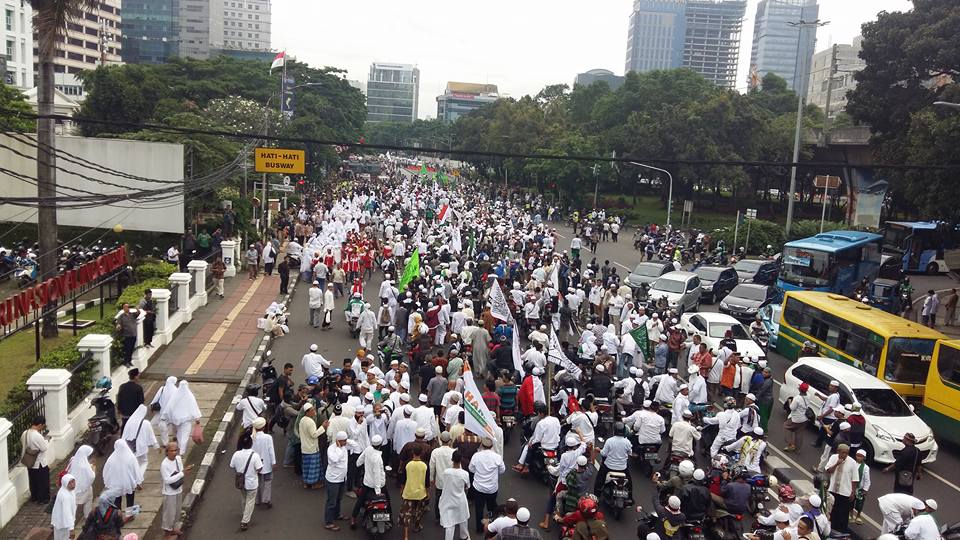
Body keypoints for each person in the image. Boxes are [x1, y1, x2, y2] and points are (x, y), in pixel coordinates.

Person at [351, 434, 388, 529]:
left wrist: (358, 465)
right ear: (380, 445)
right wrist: (378, 491)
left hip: (367, 483)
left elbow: (359, 461)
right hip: (379, 485)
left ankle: (353, 519)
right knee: (387, 501)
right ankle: (389, 519)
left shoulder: (368, 449)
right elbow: (377, 475)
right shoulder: (377, 458)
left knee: (360, 500)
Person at [469, 437, 505, 534]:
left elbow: (471, 469)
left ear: (482, 445)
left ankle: (480, 528)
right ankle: (490, 526)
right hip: (492, 488)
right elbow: (502, 470)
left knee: (479, 508)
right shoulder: (497, 457)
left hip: (479, 488)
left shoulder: (476, 456)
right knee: (491, 508)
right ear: (492, 446)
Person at [230, 432, 263, 531]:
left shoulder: (236, 454)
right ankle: (245, 521)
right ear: (251, 444)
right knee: (250, 501)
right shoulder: (255, 456)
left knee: (244, 498)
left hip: (241, 482)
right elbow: (259, 469)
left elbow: (232, 466)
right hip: (252, 483)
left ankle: (244, 513)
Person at [325, 431, 358, 531]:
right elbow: (335, 459)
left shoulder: (344, 446)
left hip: (342, 478)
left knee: (339, 499)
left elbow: (356, 445)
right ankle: (328, 522)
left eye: (345, 441)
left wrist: (346, 441)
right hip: (333, 480)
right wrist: (339, 448)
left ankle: (337, 514)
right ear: (338, 441)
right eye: (343, 441)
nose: (345, 443)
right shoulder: (332, 449)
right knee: (331, 501)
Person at [824, 444, 858, 534]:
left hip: (845, 493)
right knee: (832, 512)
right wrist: (837, 464)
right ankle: (831, 531)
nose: (845, 455)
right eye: (843, 453)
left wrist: (853, 492)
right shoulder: (833, 458)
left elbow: (855, 479)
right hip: (833, 491)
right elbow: (828, 471)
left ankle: (842, 533)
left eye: (846, 453)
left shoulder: (852, 462)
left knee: (843, 515)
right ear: (838, 452)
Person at [160, 441, 191, 537]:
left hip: (178, 490)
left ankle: (173, 529)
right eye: (172, 451)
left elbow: (180, 471)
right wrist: (182, 473)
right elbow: (167, 480)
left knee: (177, 512)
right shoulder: (164, 464)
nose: (174, 453)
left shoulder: (178, 459)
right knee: (169, 513)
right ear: (167, 452)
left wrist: (183, 472)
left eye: (175, 450)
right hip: (170, 493)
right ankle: (167, 533)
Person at [102, 439, 143, 509]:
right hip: (129, 483)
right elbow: (136, 471)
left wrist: (107, 482)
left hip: (115, 484)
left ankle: (118, 516)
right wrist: (138, 482)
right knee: (130, 500)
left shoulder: (111, 459)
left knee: (117, 501)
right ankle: (129, 515)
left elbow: (106, 471)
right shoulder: (131, 457)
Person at [439, 450, 471, 540]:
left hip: (447, 499)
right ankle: (464, 536)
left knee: (449, 523)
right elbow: (468, 486)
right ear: (461, 460)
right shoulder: (465, 474)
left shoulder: (446, 472)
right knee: (463, 519)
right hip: (460, 499)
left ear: (452, 459)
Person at [121, 404, 158, 478]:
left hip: (130, 447)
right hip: (141, 448)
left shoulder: (129, 421)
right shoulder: (146, 423)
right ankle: (139, 478)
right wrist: (156, 446)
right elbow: (151, 436)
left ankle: (133, 479)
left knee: (134, 464)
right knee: (144, 462)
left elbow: (124, 434)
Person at [165, 381, 202, 457]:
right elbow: (194, 406)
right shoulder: (189, 395)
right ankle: (182, 451)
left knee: (179, 433)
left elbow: (170, 406)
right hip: (186, 420)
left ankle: (179, 447)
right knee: (185, 435)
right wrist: (197, 418)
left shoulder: (175, 395)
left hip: (177, 419)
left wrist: (168, 417)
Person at [401, 444, 429, 539]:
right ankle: (417, 526)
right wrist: (428, 493)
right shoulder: (425, 465)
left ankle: (406, 535)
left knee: (406, 514)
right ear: (421, 453)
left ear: (413, 453)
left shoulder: (407, 464)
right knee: (418, 512)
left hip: (408, 492)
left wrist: (402, 491)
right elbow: (427, 482)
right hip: (420, 493)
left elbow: (403, 480)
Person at [22, 415, 51, 504]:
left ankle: (34, 496)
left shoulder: (25, 433)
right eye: (43, 426)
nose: (42, 428)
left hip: (29, 462)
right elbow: (43, 448)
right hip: (39, 462)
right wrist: (46, 441)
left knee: (33, 480)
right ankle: (42, 498)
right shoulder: (37, 436)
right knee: (43, 481)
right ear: (40, 424)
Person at [298, 402, 327, 489]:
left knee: (306, 467)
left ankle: (306, 483)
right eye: (312, 410)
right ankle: (314, 484)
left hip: (305, 447)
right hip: (312, 448)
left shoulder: (302, 420)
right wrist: (323, 427)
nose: (314, 411)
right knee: (313, 468)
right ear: (307, 412)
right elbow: (314, 434)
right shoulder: (310, 422)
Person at [429, 432, 456, 523]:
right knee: (451, 499)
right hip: (451, 480)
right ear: (449, 441)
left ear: (441, 439)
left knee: (439, 498)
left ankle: (438, 516)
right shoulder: (453, 452)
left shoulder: (435, 452)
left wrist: (431, 479)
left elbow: (431, 466)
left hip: (439, 480)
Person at [251, 417, 276, 508]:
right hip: (267, 464)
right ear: (263, 427)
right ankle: (266, 500)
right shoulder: (268, 437)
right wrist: (273, 462)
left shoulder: (252, 437)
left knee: (257, 482)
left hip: (255, 464)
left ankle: (257, 500)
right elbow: (271, 451)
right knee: (267, 482)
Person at [69, 445, 96, 522]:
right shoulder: (85, 466)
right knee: (88, 502)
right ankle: (87, 517)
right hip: (85, 488)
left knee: (74, 505)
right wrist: (93, 470)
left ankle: (71, 520)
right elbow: (91, 477)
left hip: (74, 487)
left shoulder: (73, 460)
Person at [783, 383, 810, 451]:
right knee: (799, 433)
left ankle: (791, 445)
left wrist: (789, 402)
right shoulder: (808, 396)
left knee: (787, 427)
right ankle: (798, 448)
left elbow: (792, 408)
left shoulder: (797, 398)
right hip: (804, 419)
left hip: (796, 418)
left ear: (800, 389)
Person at [51, 474, 77, 540]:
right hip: (63, 524)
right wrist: (71, 529)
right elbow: (67, 513)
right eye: (70, 482)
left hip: (63, 522)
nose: (73, 484)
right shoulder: (65, 496)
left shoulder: (68, 490)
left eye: (73, 481)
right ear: (66, 483)